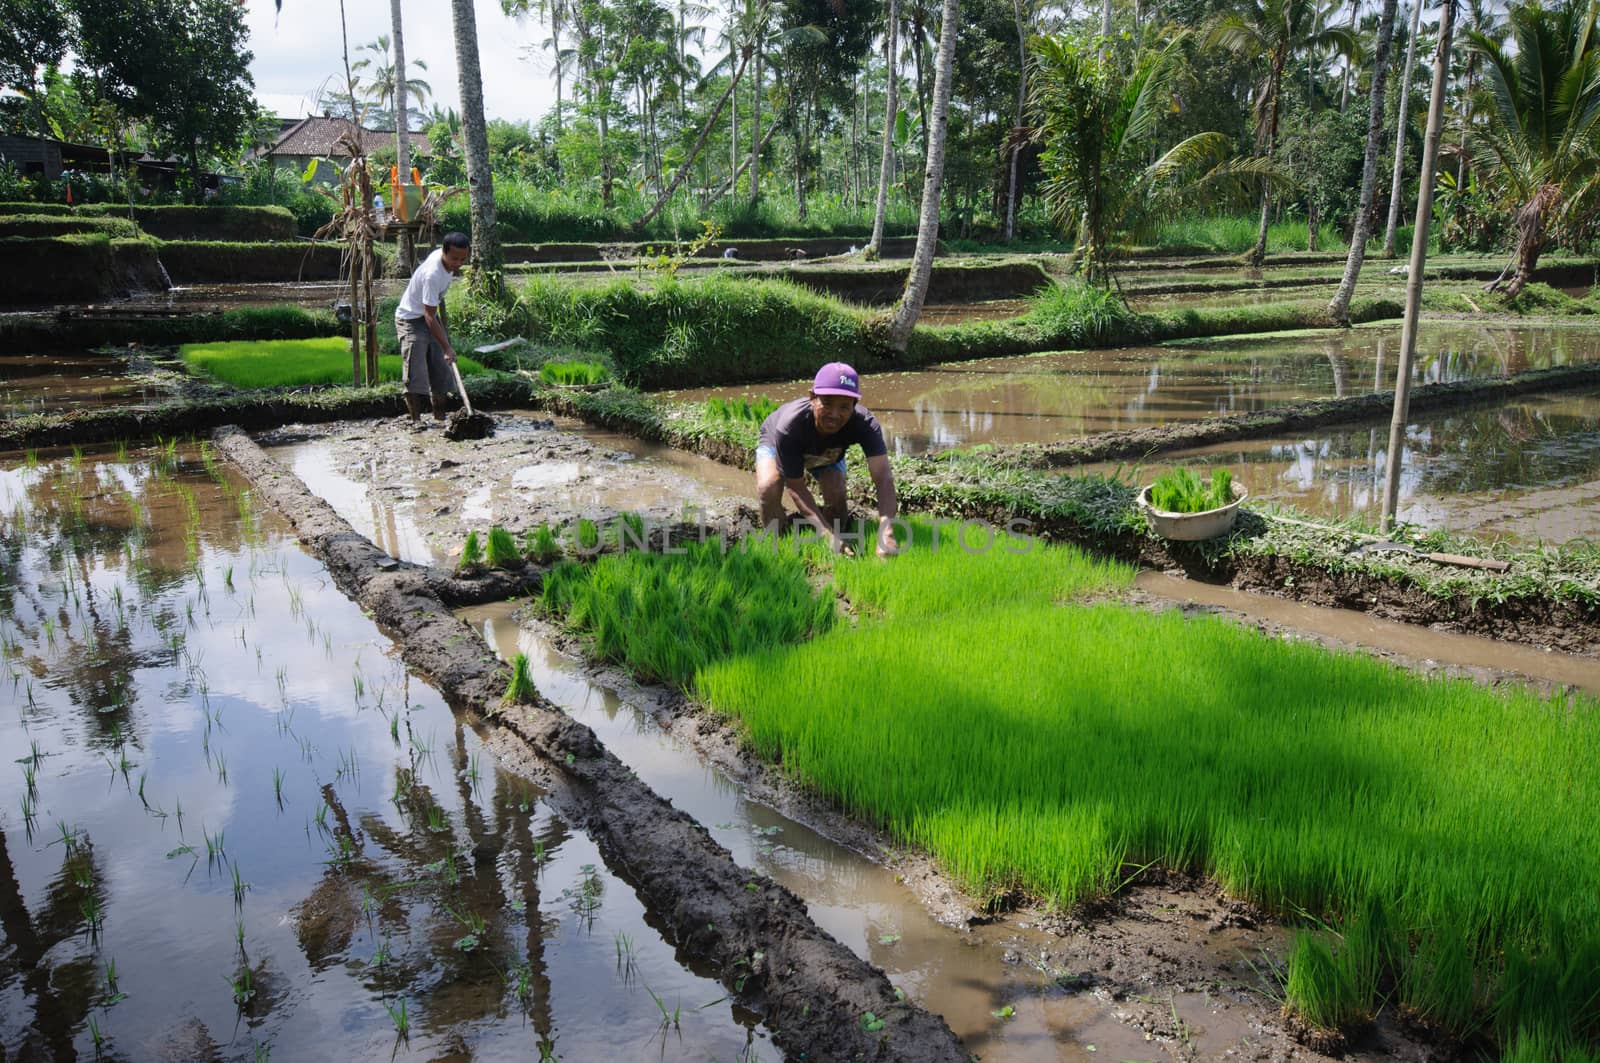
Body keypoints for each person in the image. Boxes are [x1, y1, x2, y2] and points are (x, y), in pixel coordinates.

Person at [756, 362, 900, 557]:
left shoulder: (865, 424)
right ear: (812, 397)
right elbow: (796, 487)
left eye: (844, 407)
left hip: (828, 450)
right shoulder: (789, 425)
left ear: (854, 405)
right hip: (777, 442)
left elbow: (883, 477)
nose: (834, 414)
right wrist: (825, 535)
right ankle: (777, 540)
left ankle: (841, 543)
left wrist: (887, 532)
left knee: (836, 490)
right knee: (768, 487)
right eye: (827, 403)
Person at [395, 231, 469, 425]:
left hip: (429, 317)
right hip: (410, 319)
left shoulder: (445, 261)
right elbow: (428, 314)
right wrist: (447, 347)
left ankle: (440, 418)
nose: (458, 263)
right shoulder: (433, 274)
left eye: (463, 259)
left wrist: (443, 348)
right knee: (416, 372)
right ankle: (416, 421)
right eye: (454, 259)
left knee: (442, 370)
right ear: (443, 252)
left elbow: (431, 313)